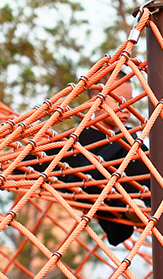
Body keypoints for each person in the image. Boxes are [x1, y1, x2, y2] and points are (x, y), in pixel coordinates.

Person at [32, 78, 150, 246]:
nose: (126, 108)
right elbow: (34, 163)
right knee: (129, 138)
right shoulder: (74, 139)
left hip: (125, 204)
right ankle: (136, 206)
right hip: (86, 185)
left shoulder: (131, 144)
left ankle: (142, 206)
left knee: (133, 142)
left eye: (130, 101)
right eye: (119, 100)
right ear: (98, 102)